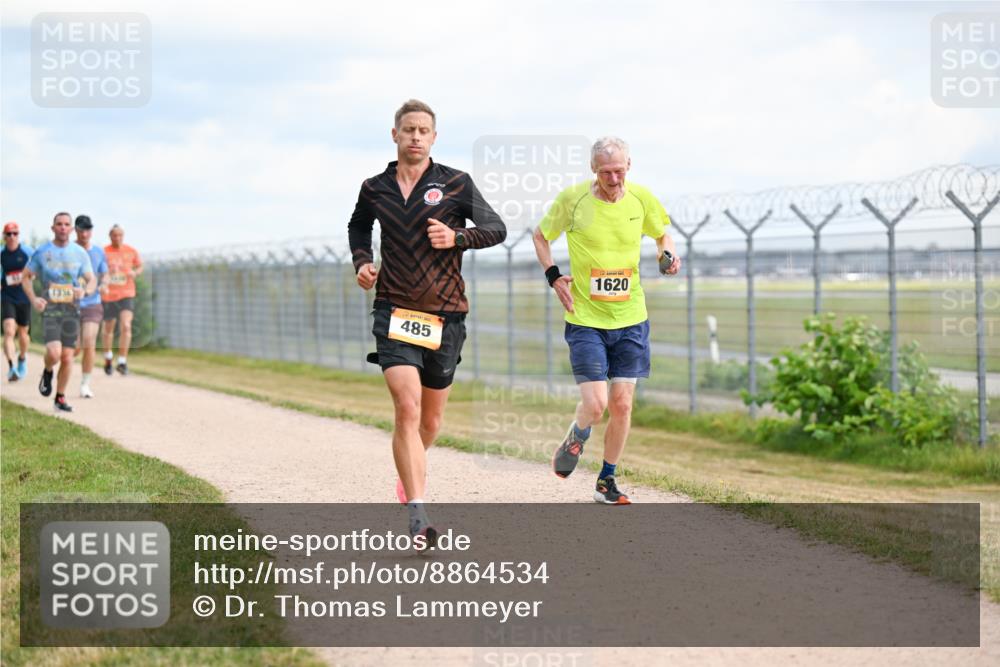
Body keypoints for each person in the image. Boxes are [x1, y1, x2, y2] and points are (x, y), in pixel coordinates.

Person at [349, 99, 506, 545]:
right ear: (395, 135)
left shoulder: (455, 183)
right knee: (407, 407)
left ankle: (410, 468)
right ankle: (418, 514)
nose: (416, 136)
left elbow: (496, 228)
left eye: (424, 130)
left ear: (434, 138)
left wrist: (457, 236)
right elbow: (358, 227)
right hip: (395, 310)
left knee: (431, 423)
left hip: (447, 314)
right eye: (408, 129)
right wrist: (362, 261)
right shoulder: (374, 187)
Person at [532, 136, 680, 505]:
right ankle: (578, 434)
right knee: (596, 404)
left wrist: (669, 256)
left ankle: (606, 480)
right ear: (593, 170)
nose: (613, 180)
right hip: (586, 319)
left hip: (631, 317)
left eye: (618, 171)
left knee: (623, 404)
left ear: (629, 165)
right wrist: (553, 276)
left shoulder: (641, 198)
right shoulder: (574, 200)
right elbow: (540, 235)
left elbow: (662, 234)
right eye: (605, 172)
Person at [21, 212, 96, 412]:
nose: (63, 227)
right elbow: (26, 276)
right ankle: (47, 371)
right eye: (59, 224)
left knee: (68, 357)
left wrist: (85, 291)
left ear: (72, 229)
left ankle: (60, 397)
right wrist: (34, 299)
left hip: (71, 310)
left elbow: (91, 279)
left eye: (66, 224)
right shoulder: (43, 251)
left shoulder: (79, 253)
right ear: (53, 228)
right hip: (51, 309)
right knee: (54, 354)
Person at [73, 215, 109, 397]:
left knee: (89, 341)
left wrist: (103, 284)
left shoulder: (98, 252)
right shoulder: (67, 250)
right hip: (69, 305)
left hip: (92, 303)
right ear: (75, 230)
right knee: (74, 347)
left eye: (88, 229)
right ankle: (61, 364)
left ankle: (85, 384)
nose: (85, 233)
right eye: (81, 229)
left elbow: (105, 273)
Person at [101, 224, 143, 375]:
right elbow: (97, 270)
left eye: (120, 235)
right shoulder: (104, 252)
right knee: (108, 328)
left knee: (126, 325)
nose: (117, 238)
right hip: (109, 295)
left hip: (127, 293)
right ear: (110, 236)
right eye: (114, 235)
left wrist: (135, 273)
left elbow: (140, 266)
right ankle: (108, 357)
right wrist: (106, 272)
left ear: (123, 236)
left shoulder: (131, 251)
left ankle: (122, 361)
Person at [1, 222, 33, 382]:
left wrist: (30, 276)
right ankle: (11, 367)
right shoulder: (1, 253)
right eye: (8, 234)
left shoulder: (27, 252)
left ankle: (21, 358)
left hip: (24, 297)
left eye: (15, 233)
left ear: (18, 235)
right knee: (8, 331)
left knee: (23, 333)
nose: (12, 237)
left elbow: (37, 269)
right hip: (7, 296)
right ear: (4, 236)